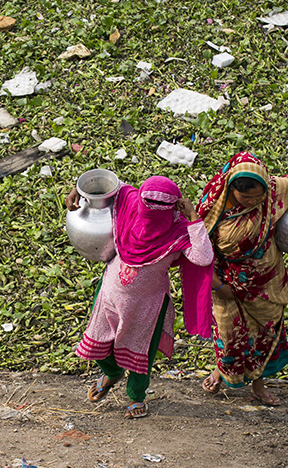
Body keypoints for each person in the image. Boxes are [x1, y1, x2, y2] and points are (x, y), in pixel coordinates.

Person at [195, 152, 288, 405]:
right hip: (228, 285)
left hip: (268, 280)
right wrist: (218, 285)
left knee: (265, 334)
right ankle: (222, 371)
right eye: (245, 197)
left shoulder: (273, 189)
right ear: (231, 188)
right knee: (229, 335)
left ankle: (259, 386)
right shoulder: (211, 211)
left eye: (258, 195)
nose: (254, 201)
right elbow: (197, 251)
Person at [67, 176, 214, 419]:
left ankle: (136, 396)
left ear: (174, 206)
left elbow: (203, 257)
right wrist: (78, 191)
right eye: (146, 204)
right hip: (110, 295)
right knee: (97, 343)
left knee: (140, 352)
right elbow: (101, 182)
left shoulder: (178, 230)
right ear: (140, 198)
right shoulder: (127, 201)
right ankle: (112, 373)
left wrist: (193, 217)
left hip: (148, 306)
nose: (150, 214)